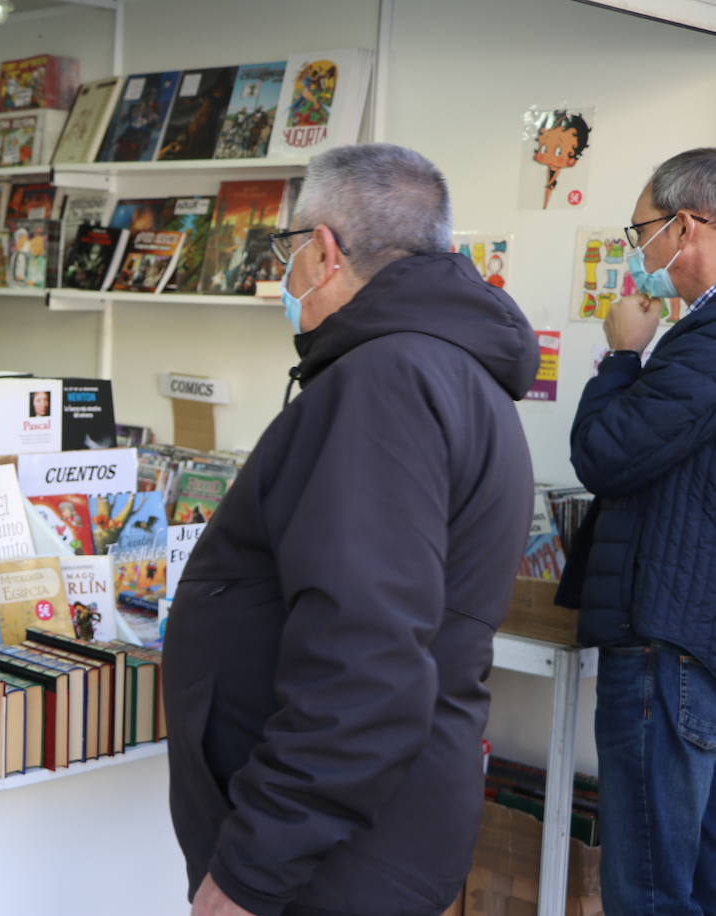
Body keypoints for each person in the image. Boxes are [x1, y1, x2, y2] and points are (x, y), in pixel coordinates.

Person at [163, 143, 537, 916]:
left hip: (334, 862)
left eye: (288, 250)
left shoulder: (383, 385)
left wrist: (249, 874)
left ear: (324, 250)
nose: (287, 274)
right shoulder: (449, 371)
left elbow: (363, 663)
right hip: (378, 830)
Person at [561, 147, 716, 914]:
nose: (640, 252)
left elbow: (606, 454)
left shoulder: (706, 343)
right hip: (696, 642)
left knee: (650, 893)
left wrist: (622, 355)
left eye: (642, 231)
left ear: (685, 227)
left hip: (668, 647)